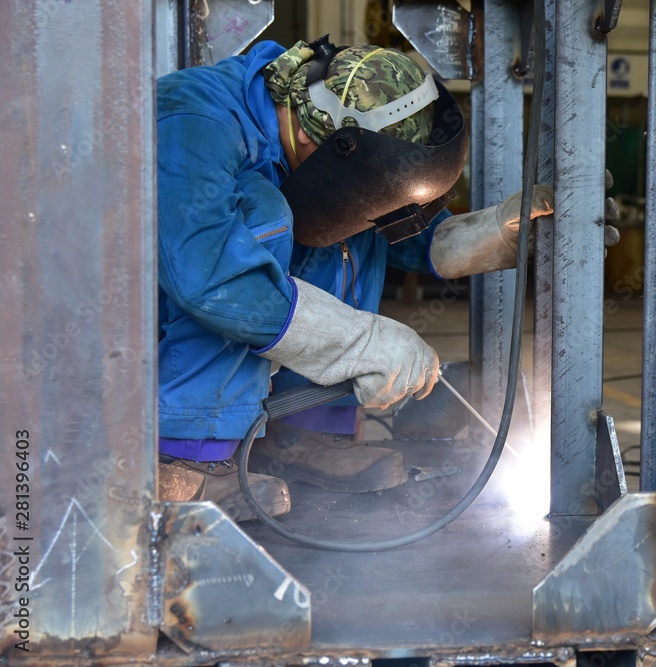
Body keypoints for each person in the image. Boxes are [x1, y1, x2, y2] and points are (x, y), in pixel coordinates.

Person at [155, 36, 556, 520]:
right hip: (127, 333)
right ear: (312, 135)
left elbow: (373, 218)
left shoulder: (306, 114)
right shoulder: (192, 123)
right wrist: (358, 344)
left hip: (206, 274)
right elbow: (213, 278)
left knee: (339, 212)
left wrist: (493, 234)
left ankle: (304, 430)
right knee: (266, 212)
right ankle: (185, 457)